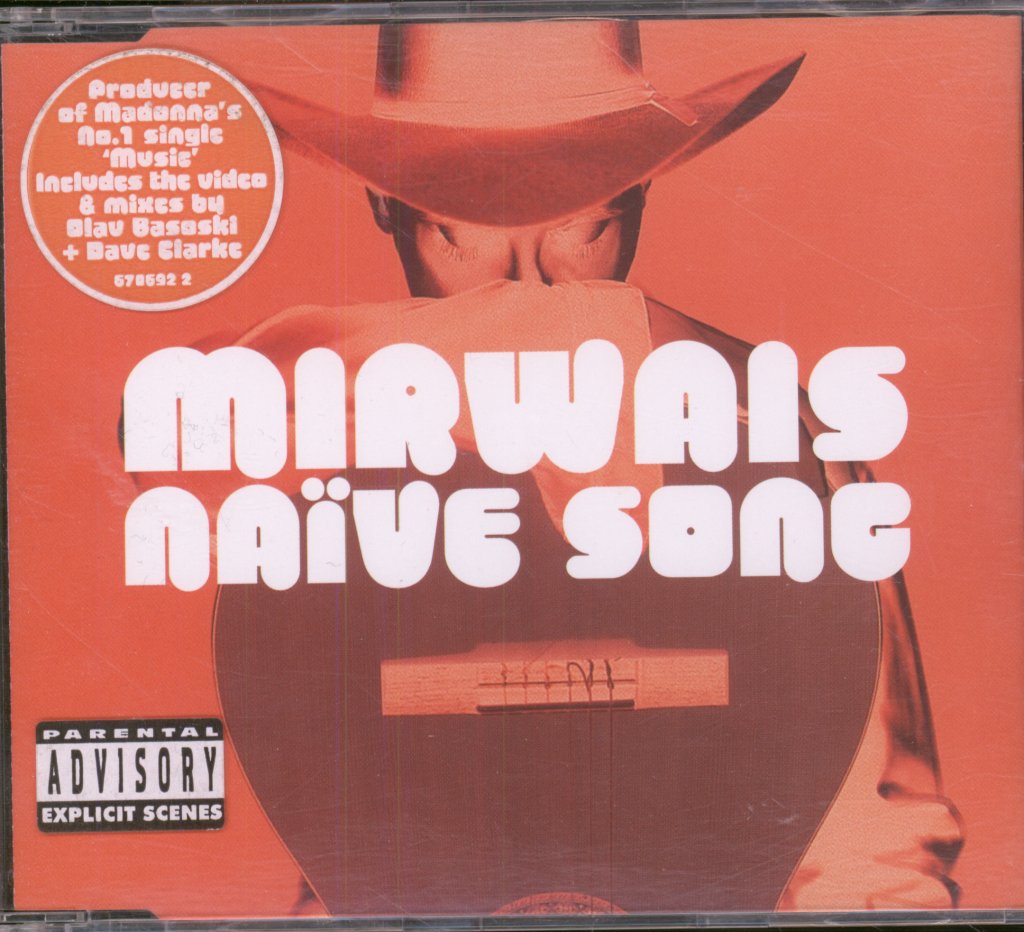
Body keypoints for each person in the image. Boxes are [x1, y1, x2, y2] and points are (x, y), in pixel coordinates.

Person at [219, 17, 963, 915]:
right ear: (385, 204)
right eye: (461, 234)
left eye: (584, 228)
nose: (529, 289)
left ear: (642, 192)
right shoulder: (309, 455)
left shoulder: (776, 443)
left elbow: (875, 857)